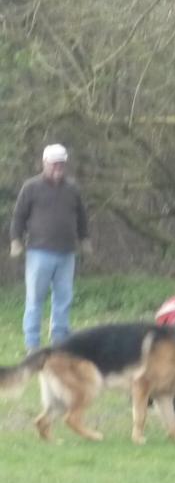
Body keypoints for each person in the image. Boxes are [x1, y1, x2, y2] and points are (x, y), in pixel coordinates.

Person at [9, 143, 90, 353]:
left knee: (63, 298)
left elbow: (81, 216)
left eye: (61, 165)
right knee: (35, 299)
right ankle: (32, 344)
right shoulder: (31, 187)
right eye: (54, 165)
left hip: (67, 253)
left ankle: (60, 340)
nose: (58, 169)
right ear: (44, 163)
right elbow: (18, 215)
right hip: (39, 252)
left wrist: (85, 239)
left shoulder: (72, 189)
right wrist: (15, 240)